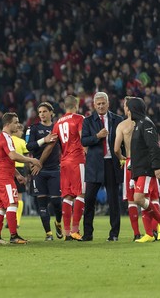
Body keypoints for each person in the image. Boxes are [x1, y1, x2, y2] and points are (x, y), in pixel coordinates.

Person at [37, 95, 86, 241]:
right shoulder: (79, 118)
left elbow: (51, 145)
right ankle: (75, 230)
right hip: (77, 160)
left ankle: (66, 232)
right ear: (76, 105)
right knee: (81, 194)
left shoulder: (57, 123)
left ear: (65, 106)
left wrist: (40, 161)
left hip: (64, 162)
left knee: (67, 196)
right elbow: (83, 139)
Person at [0, 112, 40, 245]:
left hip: (1, 175)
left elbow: (5, 160)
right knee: (13, 203)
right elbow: (13, 156)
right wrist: (31, 160)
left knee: (1, 208)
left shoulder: (1, 138)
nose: (18, 124)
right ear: (8, 124)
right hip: (4, 178)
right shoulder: (6, 138)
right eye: (15, 122)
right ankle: (14, 236)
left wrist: (18, 175)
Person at [81, 92, 123, 241]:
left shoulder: (118, 120)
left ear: (108, 104)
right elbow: (84, 141)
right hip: (94, 165)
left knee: (113, 200)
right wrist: (97, 136)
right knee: (89, 200)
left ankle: (114, 234)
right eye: (98, 104)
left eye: (102, 103)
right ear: (94, 105)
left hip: (112, 163)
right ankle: (87, 234)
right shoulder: (88, 121)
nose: (100, 106)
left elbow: (122, 141)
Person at [25, 102, 63, 241]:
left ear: (51, 113)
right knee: (42, 203)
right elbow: (29, 146)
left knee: (57, 202)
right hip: (38, 171)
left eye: (44, 111)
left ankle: (58, 223)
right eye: (40, 112)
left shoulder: (57, 127)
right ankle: (48, 234)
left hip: (54, 170)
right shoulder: (33, 128)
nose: (42, 114)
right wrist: (44, 140)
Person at [126, 97, 160, 242]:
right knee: (144, 200)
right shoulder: (138, 124)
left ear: (133, 109)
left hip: (146, 169)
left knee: (139, 199)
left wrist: (157, 166)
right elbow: (139, 149)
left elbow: (153, 146)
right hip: (138, 168)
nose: (126, 110)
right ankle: (149, 233)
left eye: (128, 107)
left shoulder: (146, 123)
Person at [113, 96, 141, 241]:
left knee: (131, 200)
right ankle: (154, 230)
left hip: (129, 163)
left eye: (125, 106)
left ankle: (136, 233)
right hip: (144, 162)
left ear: (128, 108)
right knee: (148, 197)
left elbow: (116, 148)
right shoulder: (145, 123)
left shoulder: (122, 125)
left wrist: (122, 158)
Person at [11, 123, 29, 226]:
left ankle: (8, 219)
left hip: (9, 169)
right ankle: (16, 220)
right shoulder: (22, 142)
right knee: (19, 196)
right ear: (17, 130)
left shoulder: (8, 139)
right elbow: (27, 158)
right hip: (19, 170)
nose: (22, 133)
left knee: (9, 196)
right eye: (21, 131)